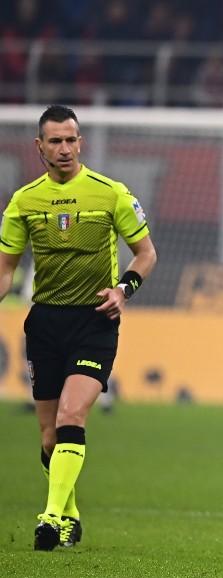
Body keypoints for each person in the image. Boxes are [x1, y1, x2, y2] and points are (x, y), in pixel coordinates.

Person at [0, 104, 157, 551]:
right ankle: (70, 515)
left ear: (80, 142)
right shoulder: (24, 201)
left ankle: (50, 518)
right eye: (55, 141)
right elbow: (5, 270)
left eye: (71, 140)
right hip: (46, 322)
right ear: (40, 147)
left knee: (73, 414)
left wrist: (123, 289)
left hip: (95, 320)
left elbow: (146, 254)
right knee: (49, 437)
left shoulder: (111, 194)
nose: (65, 148)